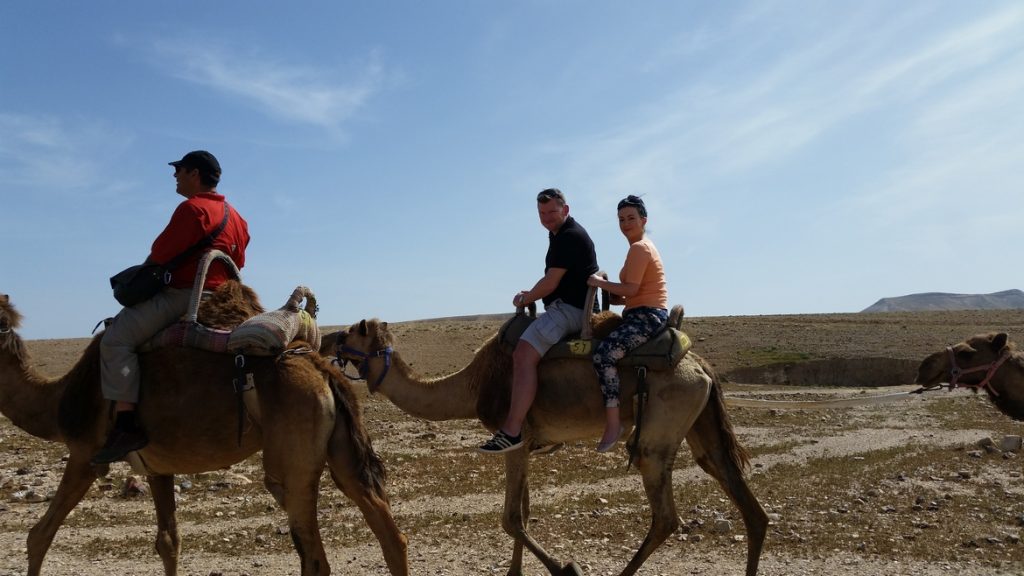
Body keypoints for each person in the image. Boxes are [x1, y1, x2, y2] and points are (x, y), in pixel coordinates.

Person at [92, 150, 250, 465]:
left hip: (186, 295)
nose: (174, 175)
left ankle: (125, 424)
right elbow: (239, 262)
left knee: (115, 339)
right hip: (229, 297)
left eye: (179, 169)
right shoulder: (238, 219)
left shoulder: (192, 210)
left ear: (195, 173)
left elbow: (160, 254)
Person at [478, 188, 599, 453]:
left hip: (571, 309)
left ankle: (512, 431)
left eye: (552, 212)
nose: (546, 218)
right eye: (542, 213)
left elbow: (551, 281)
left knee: (523, 354)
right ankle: (547, 430)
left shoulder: (569, 236)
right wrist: (532, 294)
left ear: (565, 210)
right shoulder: (558, 235)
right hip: (566, 306)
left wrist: (526, 298)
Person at [586, 195, 668, 452]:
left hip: (647, 316)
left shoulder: (640, 248)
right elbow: (633, 293)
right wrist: (614, 295)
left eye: (631, 218)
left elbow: (632, 290)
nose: (625, 223)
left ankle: (614, 423)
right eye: (621, 219)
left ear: (644, 220)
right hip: (640, 311)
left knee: (603, 356)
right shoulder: (639, 247)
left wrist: (598, 283)